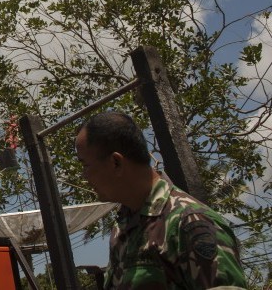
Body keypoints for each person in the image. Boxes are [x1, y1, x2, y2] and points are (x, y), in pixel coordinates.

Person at [75, 111, 247, 290]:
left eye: (85, 165)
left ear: (116, 162)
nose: (84, 176)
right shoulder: (122, 227)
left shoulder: (190, 222)